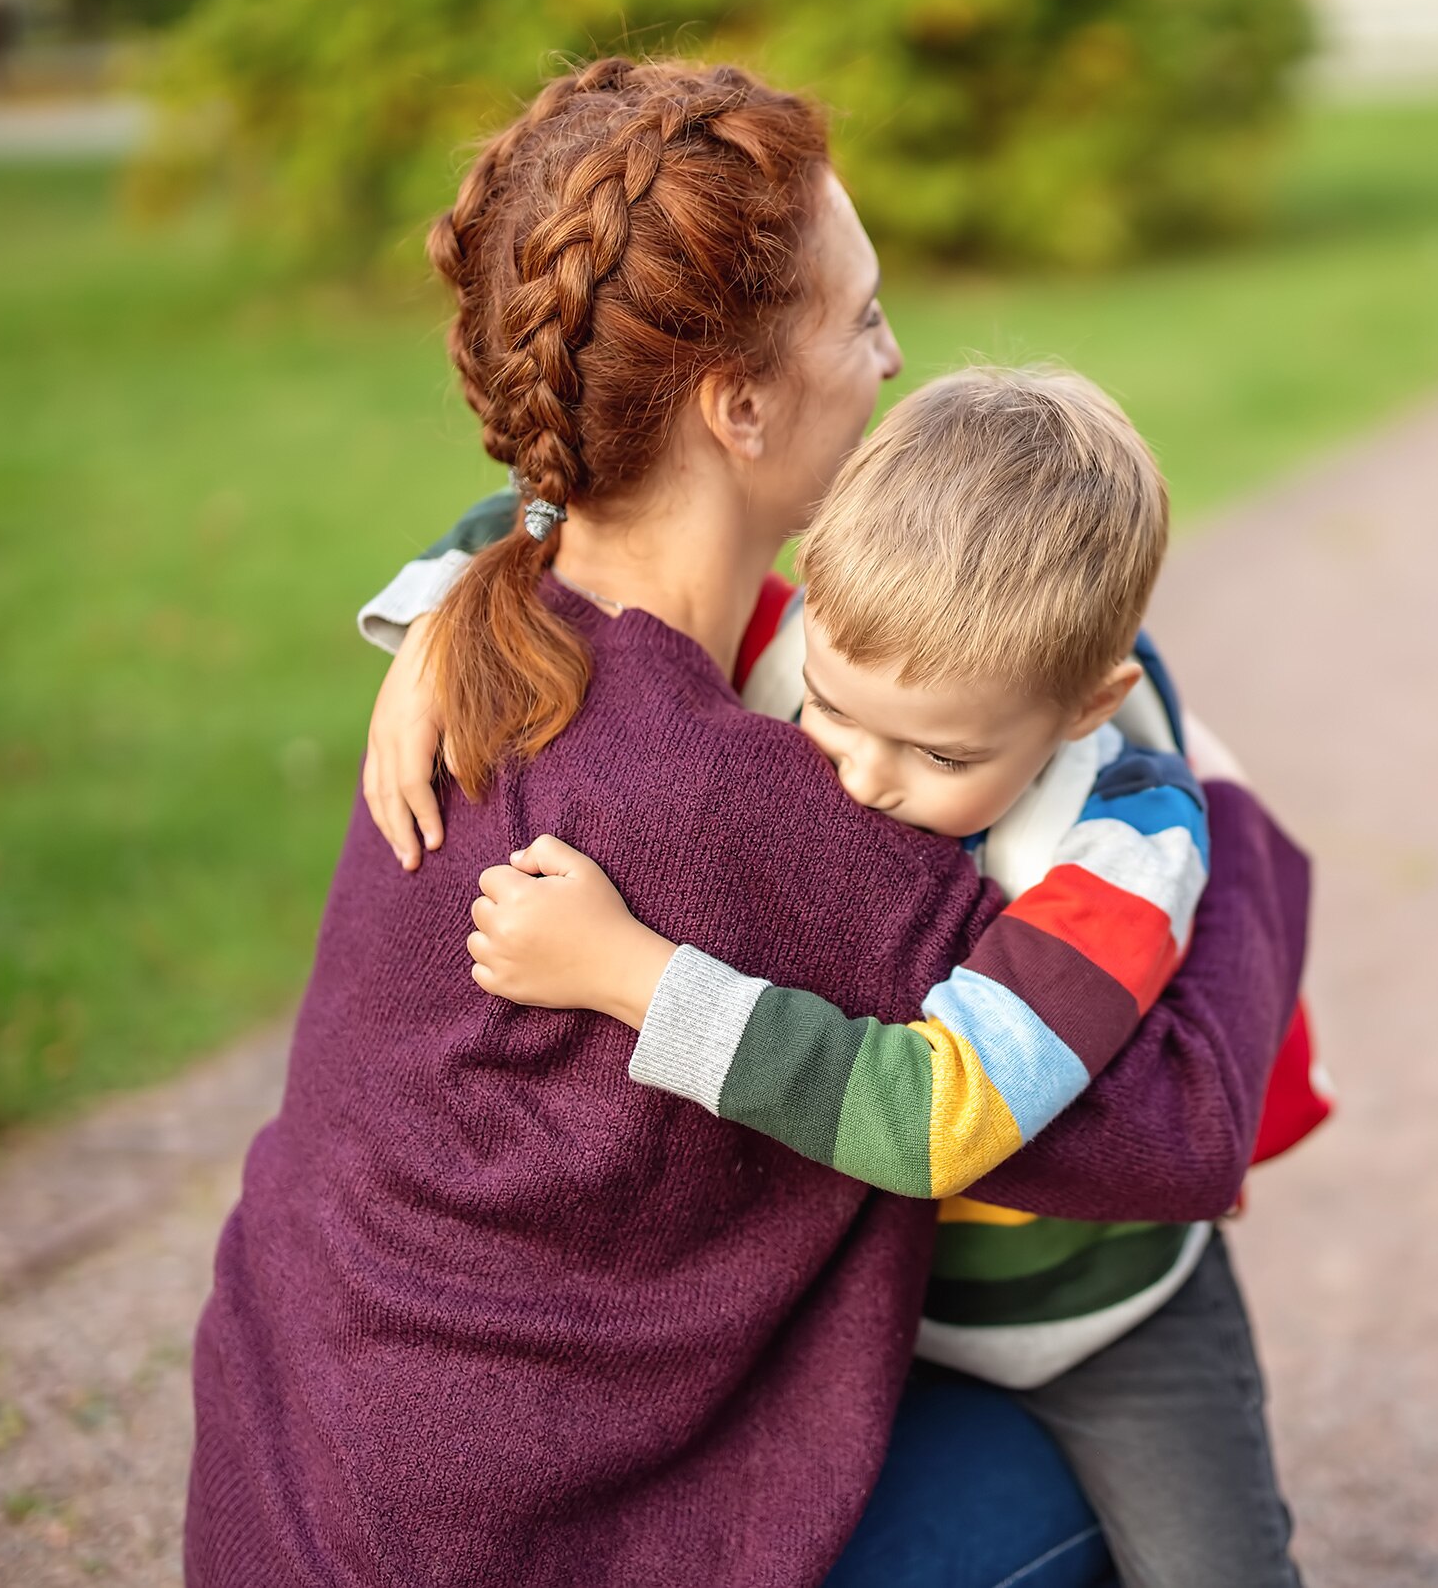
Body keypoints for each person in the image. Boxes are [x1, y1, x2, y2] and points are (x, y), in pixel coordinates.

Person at [186, 57, 1311, 1588]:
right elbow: (1176, 1124)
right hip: (515, 1542)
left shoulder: (493, 633)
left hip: (299, 1498)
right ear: (737, 402)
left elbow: (535, 523)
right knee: (1075, 1479)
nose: (896, 354)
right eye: (861, 319)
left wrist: (467, 563)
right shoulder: (742, 802)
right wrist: (1219, 810)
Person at [363, 366, 1330, 1585]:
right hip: (879, 1306)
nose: (864, 776)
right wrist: (445, 614)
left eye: (939, 751)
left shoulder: (1126, 841)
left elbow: (939, 1111)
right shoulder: (801, 641)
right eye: (833, 708)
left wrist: (639, 980)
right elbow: (570, 524)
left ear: (1091, 702)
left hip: (1098, 1315)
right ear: (815, 599)